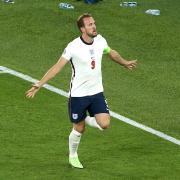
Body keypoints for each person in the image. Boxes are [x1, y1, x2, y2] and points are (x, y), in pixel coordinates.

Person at [26, 13, 137, 169]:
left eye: (94, 23)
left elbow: (110, 52)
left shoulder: (100, 40)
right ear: (82, 29)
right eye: (90, 24)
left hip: (97, 92)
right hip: (78, 95)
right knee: (79, 129)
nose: (94, 26)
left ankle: (83, 117)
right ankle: (73, 155)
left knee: (104, 124)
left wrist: (124, 63)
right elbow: (57, 67)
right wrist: (40, 84)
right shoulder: (73, 47)